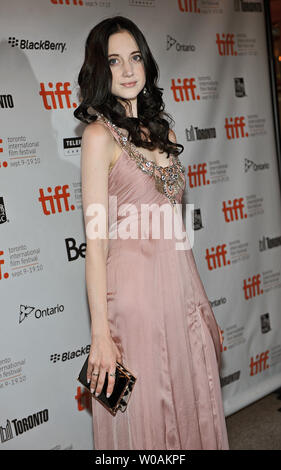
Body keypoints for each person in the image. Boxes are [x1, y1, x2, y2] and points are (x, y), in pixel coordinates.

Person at [74, 15, 229, 450]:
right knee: (147, 420)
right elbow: (96, 241)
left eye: (135, 57)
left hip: (179, 294)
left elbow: (177, 232)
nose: (127, 70)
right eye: (114, 60)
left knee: (190, 403)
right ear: (99, 71)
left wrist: (202, 303)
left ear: (147, 64)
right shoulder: (97, 138)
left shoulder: (166, 133)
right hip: (134, 301)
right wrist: (100, 334)